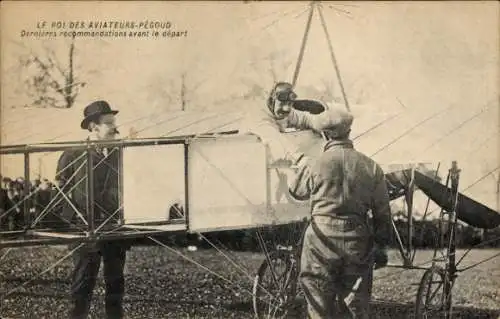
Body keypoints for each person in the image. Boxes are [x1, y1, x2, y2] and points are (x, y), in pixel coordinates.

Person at [281, 105, 392, 319]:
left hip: (320, 240)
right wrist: (381, 246)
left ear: (324, 134)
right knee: (356, 307)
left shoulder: (315, 163)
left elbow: (297, 192)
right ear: (349, 132)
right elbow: (382, 214)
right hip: (357, 239)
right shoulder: (372, 166)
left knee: (319, 305)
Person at [55, 100, 128, 319]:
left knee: (115, 287)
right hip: (85, 231)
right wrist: (75, 222)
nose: (115, 127)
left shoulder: (122, 153)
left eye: (114, 122)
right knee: (81, 288)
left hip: (115, 230)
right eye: (108, 123)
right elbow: (57, 194)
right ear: (93, 127)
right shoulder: (72, 154)